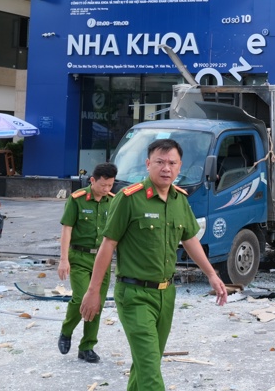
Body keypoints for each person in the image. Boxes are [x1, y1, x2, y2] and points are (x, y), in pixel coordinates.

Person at [80, 139, 227, 388]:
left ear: (180, 167)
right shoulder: (129, 199)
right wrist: (93, 291)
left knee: (146, 364)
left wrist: (212, 275)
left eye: (172, 163)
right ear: (148, 164)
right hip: (134, 295)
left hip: (166, 295)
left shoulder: (180, 200)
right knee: (150, 372)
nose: (166, 168)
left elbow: (190, 239)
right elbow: (107, 245)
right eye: (160, 162)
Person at [57, 162, 118, 364]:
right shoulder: (77, 200)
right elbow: (67, 229)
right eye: (103, 185)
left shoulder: (114, 201)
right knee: (80, 297)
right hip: (80, 257)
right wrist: (64, 259)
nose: (107, 189)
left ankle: (87, 346)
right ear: (92, 180)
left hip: (102, 259)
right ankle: (66, 331)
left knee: (96, 303)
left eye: (110, 185)